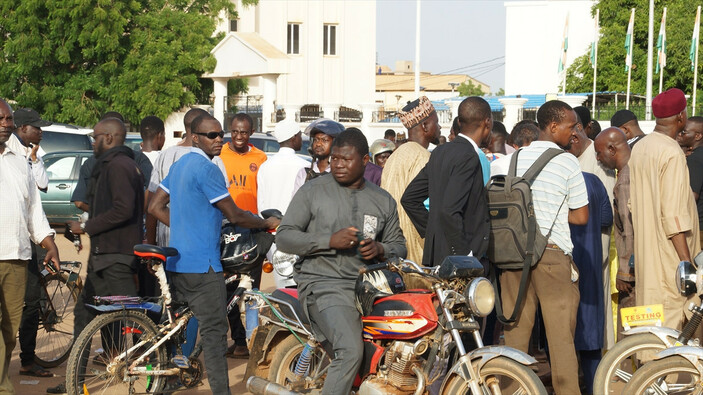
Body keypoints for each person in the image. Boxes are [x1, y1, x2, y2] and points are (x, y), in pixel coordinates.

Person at [149, 114, 279, 395]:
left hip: (176, 263)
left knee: (178, 330)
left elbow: (155, 206)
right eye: (212, 135)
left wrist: (183, 224)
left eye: (221, 134)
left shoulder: (180, 164)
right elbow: (233, 214)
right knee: (216, 338)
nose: (219, 139)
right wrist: (264, 223)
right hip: (204, 267)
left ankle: (167, 382)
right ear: (195, 137)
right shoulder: (207, 169)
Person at [277, 128, 406, 395]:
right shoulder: (313, 191)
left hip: (370, 288)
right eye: (334, 158)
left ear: (365, 160)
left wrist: (380, 248)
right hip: (324, 283)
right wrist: (328, 241)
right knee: (349, 350)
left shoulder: (382, 200)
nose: (337, 165)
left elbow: (399, 247)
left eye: (345, 159)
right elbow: (284, 237)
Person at [498, 100, 589, 395]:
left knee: (514, 341)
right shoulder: (567, 161)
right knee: (561, 339)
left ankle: (512, 390)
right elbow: (581, 215)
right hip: (551, 256)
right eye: (570, 126)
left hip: (512, 257)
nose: (574, 132)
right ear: (553, 126)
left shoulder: (511, 159)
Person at [49, 118, 144, 395]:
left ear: (110, 138)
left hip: (117, 258)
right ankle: (74, 382)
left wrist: (87, 226)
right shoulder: (110, 166)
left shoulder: (120, 166)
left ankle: (154, 377)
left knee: (133, 320)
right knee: (86, 316)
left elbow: (124, 209)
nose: (92, 142)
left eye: (96, 137)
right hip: (104, 257)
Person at [0, 98, 60, 395]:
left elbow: (34, 208)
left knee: (10, 330)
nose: (5, 123)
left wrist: (49, 242)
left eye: (8, 119)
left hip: (18, 255)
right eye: (1, 119)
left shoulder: (19, 161)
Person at [629, 88, 700, 336]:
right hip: (670, 257)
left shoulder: (640, 148)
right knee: (673, 329)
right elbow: (673, 215)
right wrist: (686, 262)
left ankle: (650, 374)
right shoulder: (671, 152)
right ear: (681, 117)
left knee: (651, 330)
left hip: (647, 254)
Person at [401, 96, 491, 266]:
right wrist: (466, 255)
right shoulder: (469, 156)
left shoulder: (440, 152)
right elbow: (449, 210)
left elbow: (409, 199)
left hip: (437, 256)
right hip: (460, 262)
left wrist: (435, 231)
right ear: (487, 122)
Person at [218, 112, 268, 358]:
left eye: (244, 132)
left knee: (251, 291)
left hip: (250, 231)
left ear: (251, 132)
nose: (239, 136)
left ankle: (251, 342)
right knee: (228, 290)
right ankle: (238, 341)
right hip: (225, 230)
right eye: (235, 131)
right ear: (230, 130)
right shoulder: (218, 155)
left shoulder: (261, 157)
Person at [567, 113, 616, 349]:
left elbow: (607, 214)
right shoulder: (573, 159)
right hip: (576, 249)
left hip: (595, 245)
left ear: (575, 136)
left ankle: (602, 364)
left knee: (596, 311)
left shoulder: (596, 162)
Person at [381, 95, 440, 264]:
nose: (440, 127)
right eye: (436, 122)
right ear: (426, 126)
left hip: (392, 245)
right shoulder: (424, 158)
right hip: (416, 249)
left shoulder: (394, 156)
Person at [569, 172, 612, 394]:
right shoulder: (594, 180)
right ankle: (594, 386)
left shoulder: (556, 177)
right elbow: (606, 218)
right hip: (591, 262)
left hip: (562, 264)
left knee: (561, 333)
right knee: (590, 334)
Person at [594, 127, 636, 341]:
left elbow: (629, 229)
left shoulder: (626, 178)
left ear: (612, 149)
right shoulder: (631, 171)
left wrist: (625, 271)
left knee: (629, 332)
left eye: (599, 153)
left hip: (631, 271)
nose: (598, 159)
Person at [256, 119, 309, 215]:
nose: (301, 139)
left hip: (269, 225)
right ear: (294, 137)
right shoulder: (305, 166)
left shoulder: (265, 166)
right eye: (300, 136)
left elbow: (261, 203)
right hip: (294, 225)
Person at [294, 118, 345, 191]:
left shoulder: (340, 173)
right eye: (316, 140)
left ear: (335, 144)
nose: (318, 144)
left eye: (324, 140)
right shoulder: (304, 173)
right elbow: (296, 200)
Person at [679, 116, 703, 246]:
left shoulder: (694, 160)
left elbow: (691, 196)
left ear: (698, 136)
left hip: (698, 228)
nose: (680, 135)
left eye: (684, 132)